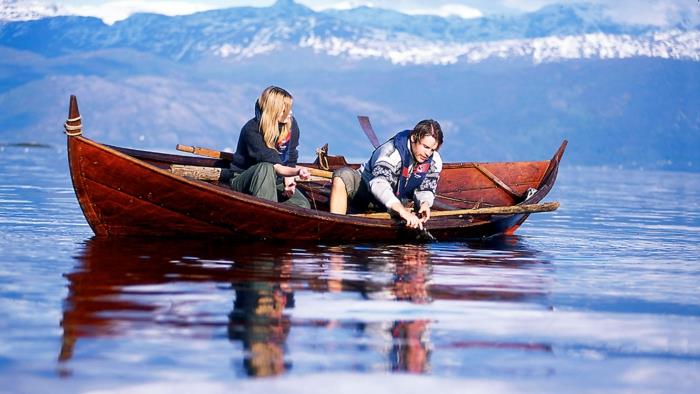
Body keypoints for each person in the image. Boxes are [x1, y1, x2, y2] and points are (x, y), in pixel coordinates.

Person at [329, 119, 443, 229]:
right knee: (342, 175)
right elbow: (378, 184)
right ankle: (336, 227)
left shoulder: (434, 160)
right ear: (414, 138)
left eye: (432, 149)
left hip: (398, 200)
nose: (428, 153)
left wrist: (425, 203)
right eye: (426, 147)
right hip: (366, 192)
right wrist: (402, 211)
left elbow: (427, 188)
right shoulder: (391, 152)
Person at [230, 86, 311, 208]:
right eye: (286, 110)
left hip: (276, 179)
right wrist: (297, 172)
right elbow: (276, 166)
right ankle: (267, 214)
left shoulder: (291, 125)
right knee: (266, 167)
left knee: (302, 204)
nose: (290, 113)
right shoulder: (252, 130)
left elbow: (291, 155)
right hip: (244, 179)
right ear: (275, 111)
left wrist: (289, 179)